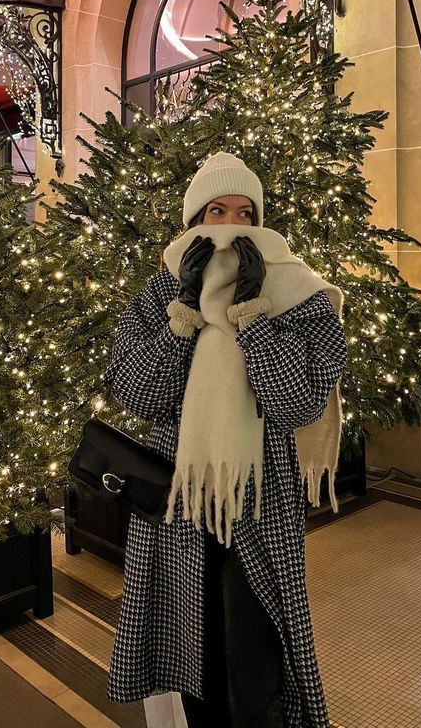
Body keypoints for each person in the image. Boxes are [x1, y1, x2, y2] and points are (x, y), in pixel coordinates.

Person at [103, 152, 348, 727]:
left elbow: (298, 402)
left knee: (257, 657)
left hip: (262, 502)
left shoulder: (302, 296)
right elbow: (140, 392)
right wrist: (183, 312)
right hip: (176, 500)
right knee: (194, 657)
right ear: (192, 225)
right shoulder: (158, 292)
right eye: (216, 211)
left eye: (245, 212)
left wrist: (255, 315)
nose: (231, 225)